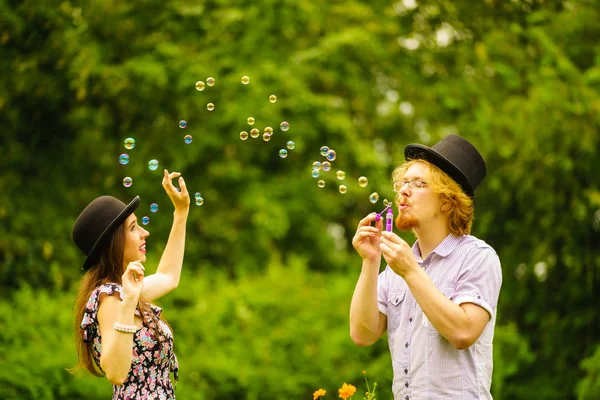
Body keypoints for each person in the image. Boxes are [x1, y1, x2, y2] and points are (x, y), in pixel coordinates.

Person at [350, 135, 502, 400]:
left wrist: (410, 272)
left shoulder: (478, 257)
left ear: (447, 200)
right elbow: (362, 333)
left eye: (419, 184)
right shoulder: (398, 266)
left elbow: (463, 331)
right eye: (403, 183)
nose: (403, 192)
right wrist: (371, 261)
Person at [70, 169, 190, 399]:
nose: (145, 232)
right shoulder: (110, 297)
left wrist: (181, 212)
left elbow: (168, 277)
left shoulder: (125, 291)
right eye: (134, 227)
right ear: (113, 242)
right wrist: (129, 304)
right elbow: (116, 373)